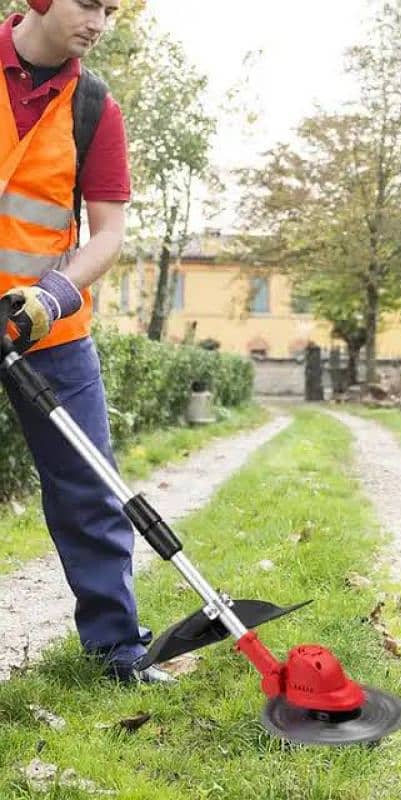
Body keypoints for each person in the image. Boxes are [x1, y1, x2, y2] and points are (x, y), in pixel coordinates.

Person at [0, 0, 174, 684]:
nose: (99, 21)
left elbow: (107, 234)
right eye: (87, 2)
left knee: (88, 488)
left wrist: (52, 296)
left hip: (45, 325)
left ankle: (118, 650)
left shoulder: (94, 106)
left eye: (109, 8)